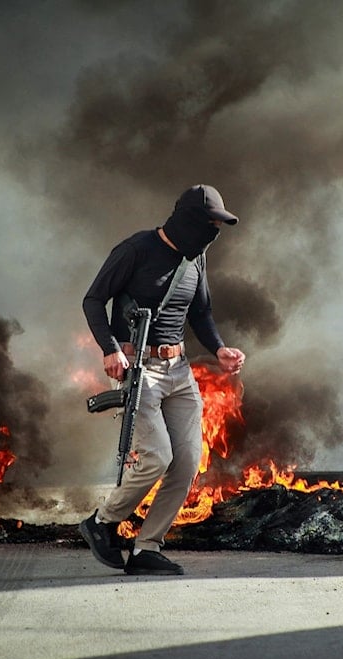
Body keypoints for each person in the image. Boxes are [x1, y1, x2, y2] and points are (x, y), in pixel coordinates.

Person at [79, 184, 245, 576]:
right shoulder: (136, 249)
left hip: (180, 372)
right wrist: (110, 349)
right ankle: (101, 521)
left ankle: (146, 547)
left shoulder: (196, 258)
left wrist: (219, 349)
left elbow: (201, 312)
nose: (213, 233)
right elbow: (92, 299)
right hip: (141, 370)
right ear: (188, 221)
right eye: (209, 224)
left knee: (187, 463)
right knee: (156, 456)